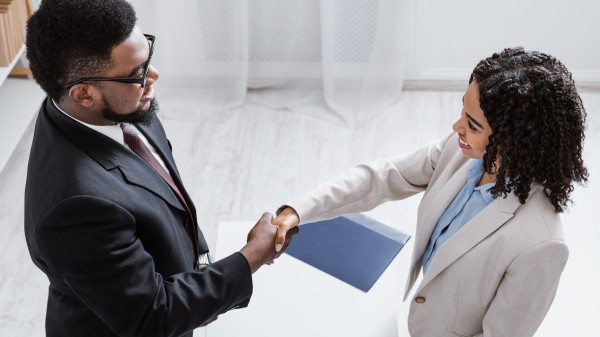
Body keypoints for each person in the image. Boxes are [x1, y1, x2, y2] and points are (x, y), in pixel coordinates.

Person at [23, 1, 297, 336]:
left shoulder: (118, 107)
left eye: (147, 57)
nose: (153, 75)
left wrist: (198, 270)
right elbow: (154, 317)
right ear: (84, 94)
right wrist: (253, 254)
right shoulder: (75, 209)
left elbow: (163, 191)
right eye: (137, 73)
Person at [272, 47, 588, 336]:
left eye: (473, 125)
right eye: (463, 114)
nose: (456, 128)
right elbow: (382, 178)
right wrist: (298, 211)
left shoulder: (542, 245)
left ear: (516, 141)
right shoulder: (458, 150)